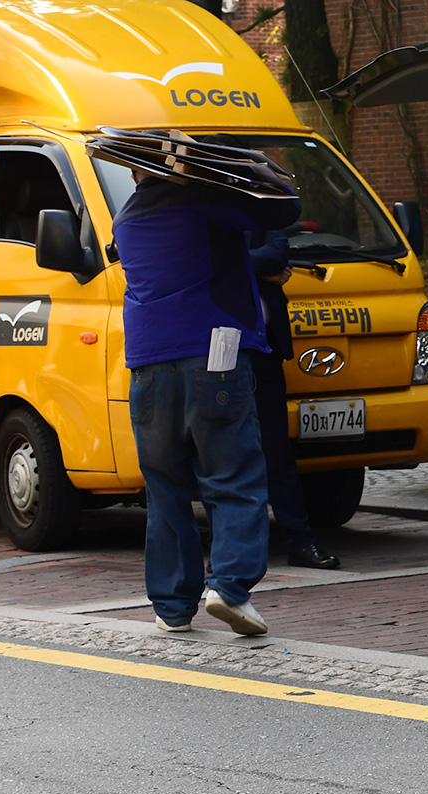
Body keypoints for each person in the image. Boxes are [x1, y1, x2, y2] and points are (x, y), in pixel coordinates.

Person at [112, 141, 301, 636]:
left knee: (166, 486)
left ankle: (172, 606)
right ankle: (231, 588)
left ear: (136, 175)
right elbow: (284, 207)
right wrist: (236, 167)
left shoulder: (126, 219)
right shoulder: (204, 202)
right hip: (213, 355)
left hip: (148, 366)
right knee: (233, 476)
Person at [247, 228, 342, 571]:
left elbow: (276, 254)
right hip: (223, 353)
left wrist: (240, 265)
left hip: (265, 353)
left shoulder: (263, 214)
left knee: (277, 453)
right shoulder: (213, 212)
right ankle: (231, 547)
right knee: (224, 453)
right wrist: (255, 269)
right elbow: (208, 264)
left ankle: (300, 542)